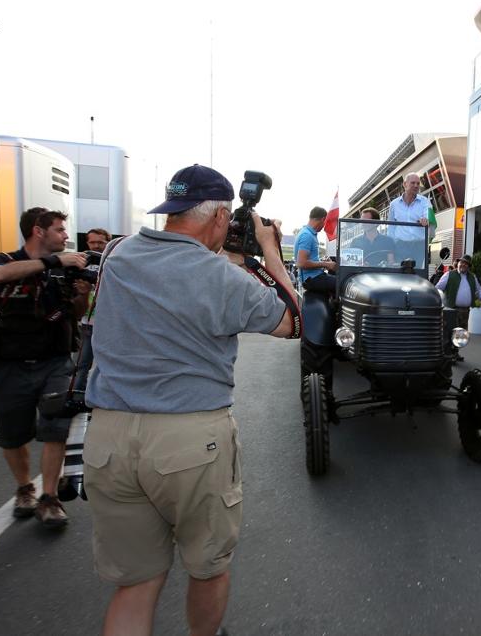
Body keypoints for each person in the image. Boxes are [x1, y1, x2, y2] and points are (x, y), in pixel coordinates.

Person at [84, 164, 298, 636]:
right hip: (188, 442)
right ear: (221, 217)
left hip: (109, 439)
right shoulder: (220, 277)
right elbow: (291, 321)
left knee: (136, 584)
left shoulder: (117, 255)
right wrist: (268, 249)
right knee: (207, 567)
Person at [0, 208, 88, 527]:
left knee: (56, 429)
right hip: (8, 364)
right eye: (59, 230)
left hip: (54, 361)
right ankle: (25, 488)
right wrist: (54, 262)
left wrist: (80, 294)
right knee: (12, 438)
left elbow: (73, 312)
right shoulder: (0, 259)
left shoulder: (64, 270)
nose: (66, 236)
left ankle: (50, 498)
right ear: (38, 232)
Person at [72, 228, 111, 393]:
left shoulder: (114, 263)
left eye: (100, 242)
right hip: (87, 324)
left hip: (109, 325)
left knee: (108, 367)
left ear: (107, 243)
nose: (96, 245)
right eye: (92, 242)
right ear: (87, 243)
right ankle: (76, 396)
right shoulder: (79, 263)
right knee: (81, 365)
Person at [388, 173, 431, 266]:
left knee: (416, 275)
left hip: (419, 246)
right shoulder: (394, 204)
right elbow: (391, 228)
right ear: (405, 184)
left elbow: (428, 215)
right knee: (400, 274)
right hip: (400, 246)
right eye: (413, 183)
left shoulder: (425, 202)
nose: (416, 186)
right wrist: (390, 250)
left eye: (418, 183)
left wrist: (425, 219)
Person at [435, 255, 481, 329]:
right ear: (458, 263)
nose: (463, 265)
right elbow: (437, 288)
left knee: (462, 335)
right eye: (462, 262)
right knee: (450, 332)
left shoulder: (472, 277)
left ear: (468, 266)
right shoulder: (449, 274)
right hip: (451, 310)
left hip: (465, 311)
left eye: (466, 263)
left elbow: (479, 289)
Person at [295, 206, 337, 294]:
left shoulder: (307, 233)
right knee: (344, 284)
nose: (324, 226)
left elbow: (308, 259)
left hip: (313, 277)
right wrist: (326, 264)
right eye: (325, 222)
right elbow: (301, 263)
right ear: (323, 219)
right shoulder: (307, 235)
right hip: (312, 279)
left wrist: (322, 262)